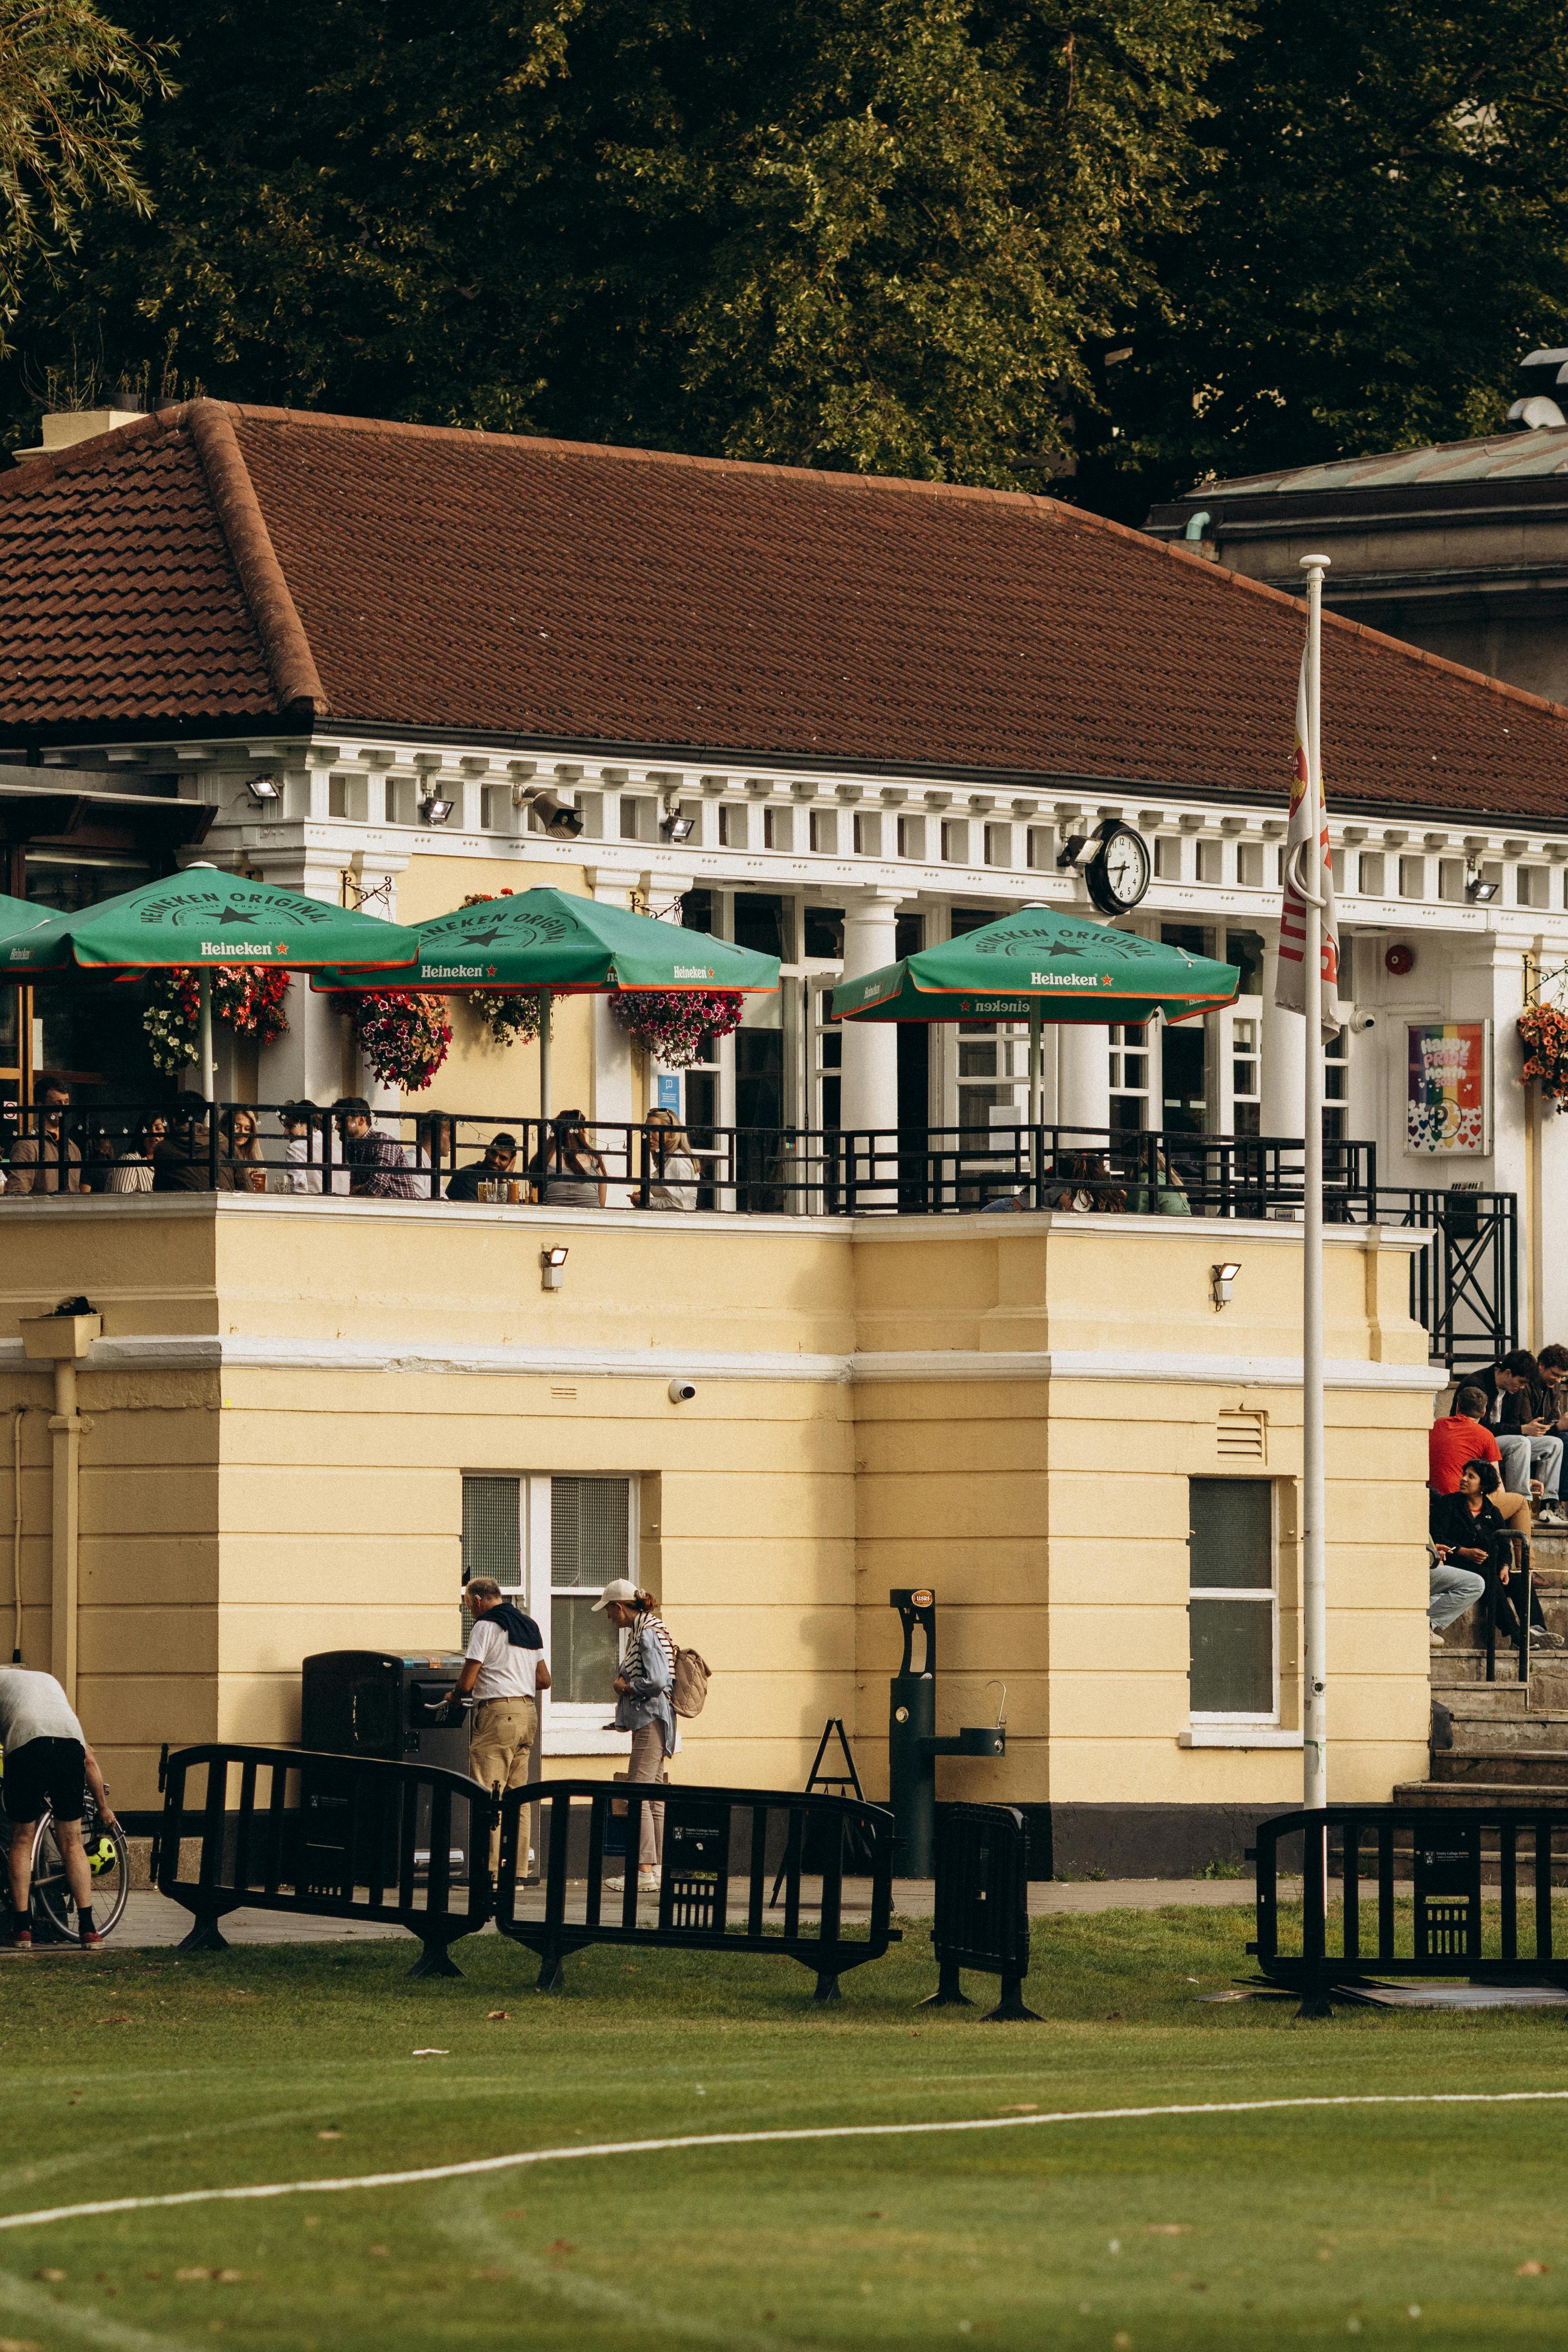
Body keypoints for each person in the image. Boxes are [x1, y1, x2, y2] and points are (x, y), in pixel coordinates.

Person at [0, 1664, 120, 1949]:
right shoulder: (47, 1683)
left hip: (26, 1744)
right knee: (73, 1843)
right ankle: (89, 1930)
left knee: (21, 1841)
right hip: (69, 1745)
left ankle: (22, 1929)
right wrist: (103, 1809)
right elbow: (89, 1761)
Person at [440, 1578, 550, 1875]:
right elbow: (544, 1680)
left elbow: (467, 1680)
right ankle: (516, 1873)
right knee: (518, 1797)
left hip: (498, 1715)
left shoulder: (485, 1626)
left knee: (487, 1794)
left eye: (469, 1607)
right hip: (528, 1714)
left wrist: (455, 1695)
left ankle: (486, 1873)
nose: (471, 1612)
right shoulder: (528, 1625)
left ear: (477, 1601)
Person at [593, 1577, 678, 1889]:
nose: (608, 1617)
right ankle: (653, 1870)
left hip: (649, 1719)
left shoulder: (646, 1634)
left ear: (619, 1607)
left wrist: (627, 1687)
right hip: (657, 1719)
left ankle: (643, 1872)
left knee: (638, 1795)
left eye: (609, 1611)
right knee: (653, 1797)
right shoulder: (651, 1628)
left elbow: (657, 1681)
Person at [1430, 1459, 1561, 1653]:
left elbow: (1504, 1546)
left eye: (1471, 1477)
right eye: (1464, 1474)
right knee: (1487, 1577)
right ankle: (1516, 1635)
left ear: (1483, 1486)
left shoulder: (1493, 1512)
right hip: (1458, 1564)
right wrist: (1463, 1551)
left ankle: (1536, 1629)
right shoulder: (1449, 1503)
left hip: (1488, 1567)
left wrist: (1506, 1567)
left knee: (1520, 1580)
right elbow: (1437, 1537)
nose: (1463, 1479)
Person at [1471, 1349, 1565, 1512]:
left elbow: (1513, 1424)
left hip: (1503, 1441)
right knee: (1520, 1442)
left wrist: (1522, 1429)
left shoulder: (1514, 1390)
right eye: (1521, 1382)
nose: (1522, 1387)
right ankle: (1521, 1505)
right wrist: (1523, 1429)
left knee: (1555, 1444)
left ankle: (1547, 1505)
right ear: (1508, 1373)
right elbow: (1480, 1428)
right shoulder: (1478, 1383)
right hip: (1480, 1441)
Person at [4, 1080, 81, 1195]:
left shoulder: (73, 1148)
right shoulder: (28, 1146)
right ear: (41, 1107)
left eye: (66, 1102)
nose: (64, 1109)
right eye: (57, 1104)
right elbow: (15, 1195)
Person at [331, 1098, 419, 1199]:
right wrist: (363, 1189)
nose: (337, 1127)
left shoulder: (382, 1142)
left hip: (397, 1210)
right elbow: (356, 1189)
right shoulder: (355, 1147)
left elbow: (377, 1187)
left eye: (342, 1120)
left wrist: (361, 1189)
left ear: (361, 1120)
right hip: (379, 1209)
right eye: (337, 1121)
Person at [153, 1093, 235, 1192]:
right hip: (225, 1204)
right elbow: (244, 1182)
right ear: (204, 1118)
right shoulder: (225, 1143)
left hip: (182, 1205)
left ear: (174, 1120)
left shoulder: (163, 1148)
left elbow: (160, 1188)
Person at [1429, 1385, 1502, 1495]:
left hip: (1431, 1494)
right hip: (1461, 1498)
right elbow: (1497, 1483)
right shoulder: (1486, 1435)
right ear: (1484, 1412)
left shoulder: (1438, 1424)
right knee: (1519, 1502)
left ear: (1457, 1407)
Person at [528, 1108, 607, 1208]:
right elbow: (602, 1205)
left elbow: (536, 1189)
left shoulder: (544, 1157)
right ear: (582, 1132)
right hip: (589, 1220)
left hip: (554, 1219)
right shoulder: (595, 1160)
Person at [641, 1108, 698, 1211]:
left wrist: (646, 1201)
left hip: (679, 1224)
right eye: (647, 1130)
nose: (649, 1136)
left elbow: (679, 1205)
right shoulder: (669, 1159)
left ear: (671, 1133)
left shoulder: (677, 1160)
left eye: (654, 1130)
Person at [446, 1133, 519, 1202]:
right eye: (493, 1153)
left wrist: (503, 1180)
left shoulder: (506, 1184)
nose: (496, 1160)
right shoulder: (467, 1176)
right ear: (487, 1150)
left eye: (503, 1158)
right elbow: (477, 1214)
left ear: (511, 1162)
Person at [275, 1101, 322, 1195]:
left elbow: (299, 1187)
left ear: (307, 1124)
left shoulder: (295, 1148)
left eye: (290, 1126)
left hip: (313, 1206)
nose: (285, 1133)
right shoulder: (334, 1147)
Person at [108, 1115, 163, 1194]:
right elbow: (120, 1202)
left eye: (158, 1129)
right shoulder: (130, 1161)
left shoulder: (166, 1163)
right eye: (148, 1129)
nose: (154, 1134)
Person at [223, 1106, 267, 1194]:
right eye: (237, 1127)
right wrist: (246, 1183)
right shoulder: (221, 1154)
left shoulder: (253, 1157)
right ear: (225, 1127)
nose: (242, 1132)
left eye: (247, 1129)